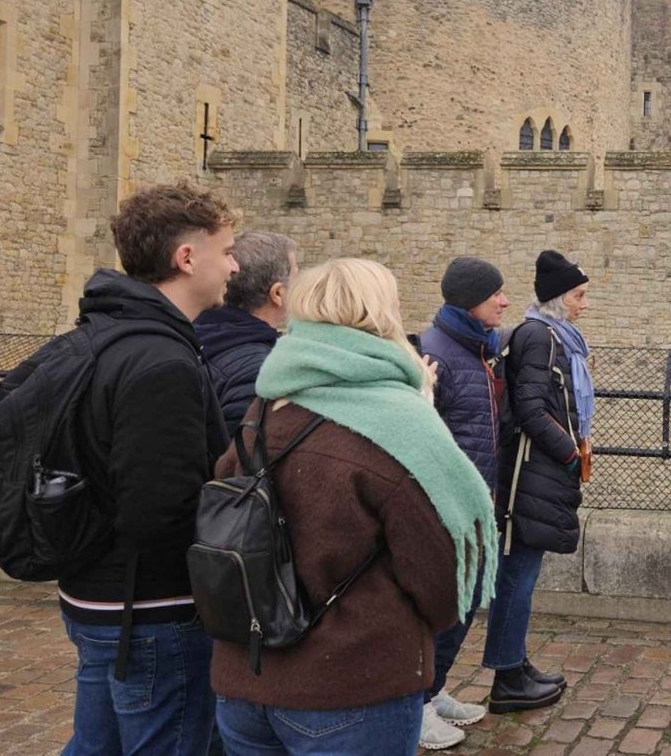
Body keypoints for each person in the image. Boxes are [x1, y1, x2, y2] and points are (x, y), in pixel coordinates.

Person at [211, 258, 498, 756]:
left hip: (247, 677)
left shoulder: (267, 403)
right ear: (381, 315)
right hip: (351, 687)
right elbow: (442, 577)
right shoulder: (401, 425)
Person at [60, 182, 238, 756]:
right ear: (187, 259)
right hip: (151, 611)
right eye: (226, 250)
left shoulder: (105, 332)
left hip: (99, 596)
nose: (234, 265)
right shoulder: (161, 360)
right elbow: (159, 512)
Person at [485, 250, 592, 713]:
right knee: (517, 575)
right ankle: (508, 678)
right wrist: (570, 453)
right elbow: (531, 409)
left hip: (538, 473)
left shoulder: (554, 338)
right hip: (529, 475)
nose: (584, 305)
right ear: (559, 298)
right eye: (580, 296)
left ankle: (515, 662)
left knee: (523, 572)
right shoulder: (540, 337)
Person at [416, 256, 510, 749]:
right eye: (496, 293)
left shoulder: (478, 349)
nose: (505, 301)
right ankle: (417, 704)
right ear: (472, 300)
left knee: (467, 602)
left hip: (475, 505)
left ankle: (434, 688)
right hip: (445, 510)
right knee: (445, 606)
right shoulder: (437, 353)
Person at [196, 230, 297, 437]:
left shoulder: (195, 334)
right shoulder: (258, 371)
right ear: (278, 294)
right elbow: (243, 456)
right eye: (296, 276)